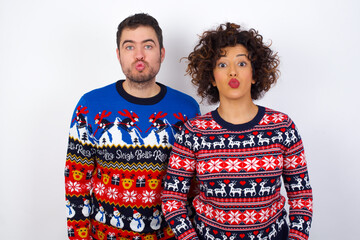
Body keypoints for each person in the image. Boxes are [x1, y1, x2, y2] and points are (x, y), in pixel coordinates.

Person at [161, 23, 313, 240]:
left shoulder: (282, 127)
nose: (232, 71)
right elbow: (172, 198)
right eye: (222, 64)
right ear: (211, 78)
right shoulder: (193, 132)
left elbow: (301, 196)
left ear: (254, 74)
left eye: (241, 63)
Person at [65, 13, 200, 240]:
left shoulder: (187, 108)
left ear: (162, 53)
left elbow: (196, 185)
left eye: (148, 45)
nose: (139, 55)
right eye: (129, 47)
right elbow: (76, 183)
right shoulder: (90, 106)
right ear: (118, 55)